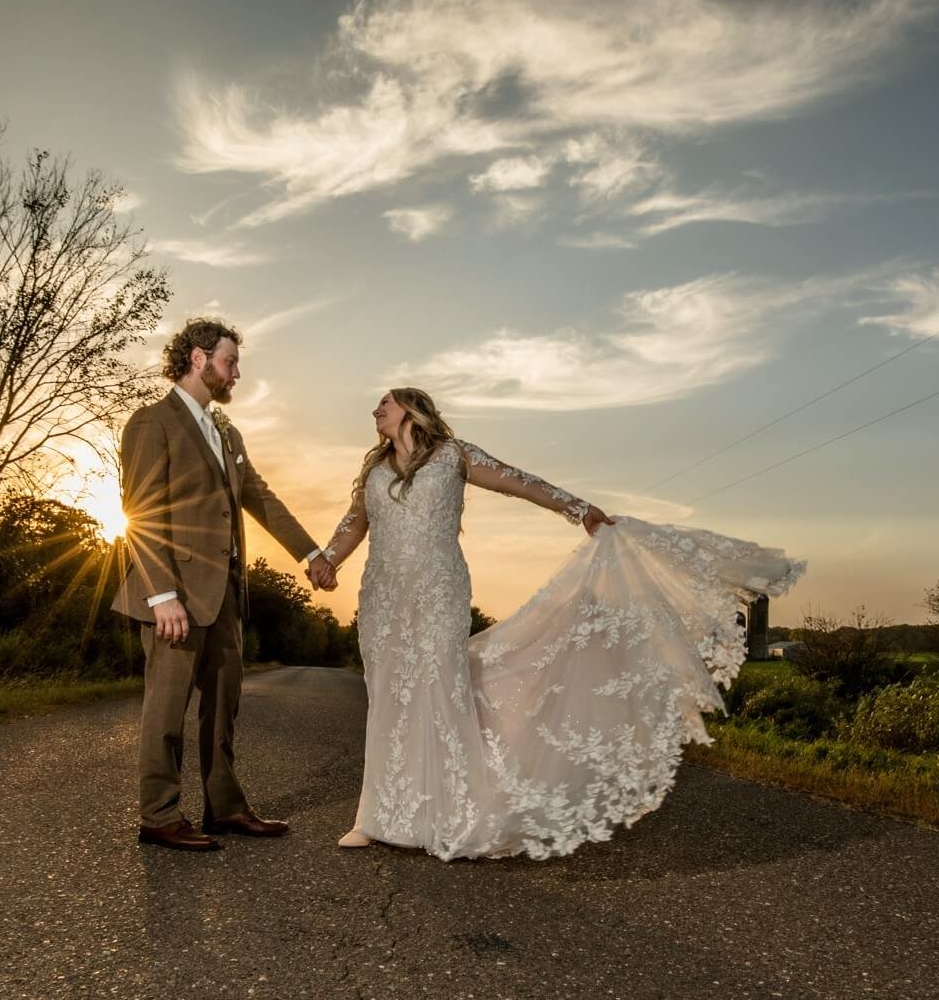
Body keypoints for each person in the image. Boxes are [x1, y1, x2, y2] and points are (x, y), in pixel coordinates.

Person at [320, 387, 804, 859]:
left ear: (410, 408)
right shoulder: (375, 469)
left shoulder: (453, 456)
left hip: (438, 592)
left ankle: (445, 816)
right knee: (388, 695)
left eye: (383, 403)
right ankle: (377, 818)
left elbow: (519, 480)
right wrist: (327, 559)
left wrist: (578, 508)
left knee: (439, 688)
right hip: (384, 599)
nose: (374, 410)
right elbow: (353, 523)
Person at [115, 317, 337, 851]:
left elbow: (259, 497)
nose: (236, 373)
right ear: (198, 358)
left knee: (223, 710)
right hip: (173, 598)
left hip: (223, 598)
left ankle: (226, 808)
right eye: (229, 362)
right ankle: (159, 815)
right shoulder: (151, 423)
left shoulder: (226, 433)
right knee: (166, 714)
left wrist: (311, 553)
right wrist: (162, 594)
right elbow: (138, 512)